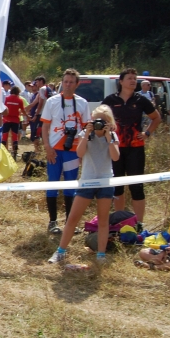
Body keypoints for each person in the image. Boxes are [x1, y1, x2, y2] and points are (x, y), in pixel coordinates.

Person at [48, 105, 120, 264]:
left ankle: (101, 254)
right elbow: (79, 153)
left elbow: (115, 157)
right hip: (87, 180)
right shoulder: (85, 134)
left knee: (103, 220)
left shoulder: (112, 136)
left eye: (103, 121)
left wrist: (108, 137)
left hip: (105, 181)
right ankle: (60, 251)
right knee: (73, 218)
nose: (99, 123)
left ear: (109, 122)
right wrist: (87, 133)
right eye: (96, 120)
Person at [103, 68, 162, 231]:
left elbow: (156, 118)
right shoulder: (110, 99)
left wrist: (147, 133)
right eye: (129, 78)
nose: (133, 81)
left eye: (135, 79)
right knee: (117, 186)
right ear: (121, 81)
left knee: (136, 186)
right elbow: (98, 117)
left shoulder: (141, 100)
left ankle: (139, 224)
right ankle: (119, 221)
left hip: (135, 148)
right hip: (116, 148)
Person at [41, 69, 91, 234]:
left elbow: (87, 128)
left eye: (71, 82)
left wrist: (83, 152)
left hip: (73, 151)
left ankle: (71, 223)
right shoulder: (52, 101)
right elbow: (45, 127)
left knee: (70, 186)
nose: (68, 85)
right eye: (65, 81)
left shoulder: (83, 103)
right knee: (53, 184)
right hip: (55, 150)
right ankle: (52, 222)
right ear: (62, 83)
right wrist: (47, 147)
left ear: (77, 84)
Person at [3, 86, 26, 158]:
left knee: (4, 137)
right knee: (15, 137)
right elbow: (23, 110)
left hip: (6, 120)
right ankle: (15, 155)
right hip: (15, 120)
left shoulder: (6, 99)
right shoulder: (19, 100)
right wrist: (28, 117)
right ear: (18, 92)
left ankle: (3, 154)